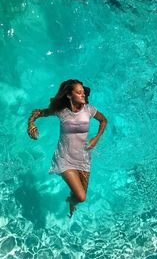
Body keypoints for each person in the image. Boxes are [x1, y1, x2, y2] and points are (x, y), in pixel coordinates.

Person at [27, 79, 107, 217]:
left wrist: (96, 138)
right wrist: (31, 124)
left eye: (83, 92)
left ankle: (71, 201)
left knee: (79, 198)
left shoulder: (89, 110)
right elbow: (39, 113)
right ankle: (71, 199)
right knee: (81, 197)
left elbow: (103, 120)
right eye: (79, 92)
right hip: (64, 158)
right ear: (69, 95)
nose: (83, 95)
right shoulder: (61, 112)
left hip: (83, 158)